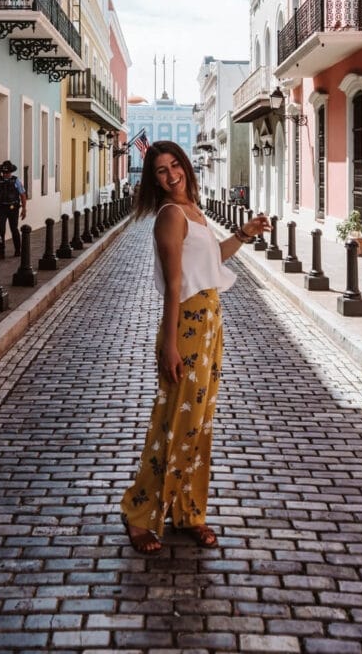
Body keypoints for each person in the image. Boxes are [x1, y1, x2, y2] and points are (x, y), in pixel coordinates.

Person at [120, 140, 270, 554]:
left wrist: (243, 234)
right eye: (161, 172)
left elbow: (211, 262)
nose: (171, 175)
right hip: (186, 324)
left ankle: (188, 511)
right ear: (154, 180)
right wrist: (168, 346)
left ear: (185, 166)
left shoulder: (194, 213)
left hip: (210, 322)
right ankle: (139, 512)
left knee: (199, 424)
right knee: (173, 423)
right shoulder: (170, 216)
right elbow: (173, 286)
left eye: (175, 166)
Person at [0, 160, 26, 258]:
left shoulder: (16, 181)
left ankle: (18, 250)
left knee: (14, 229)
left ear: (11, 172)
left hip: (13, 208)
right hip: (1, 208)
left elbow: (22, 195)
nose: (6, 174)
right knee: (1, 229)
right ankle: (1, 252)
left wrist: (24, 209)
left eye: (8, 172)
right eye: (4, 172)